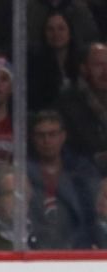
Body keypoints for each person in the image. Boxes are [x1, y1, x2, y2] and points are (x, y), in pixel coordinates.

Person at [26, 109, 99, 249]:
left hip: (77, 247)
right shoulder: (24, 172)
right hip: (36, 248)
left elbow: (91, 215)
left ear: (63, 136)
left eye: (52, 134)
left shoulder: (81, 171)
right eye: (41, 135)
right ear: (33, 138)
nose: (46, 141)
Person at [57, 43, 107, 174]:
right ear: (84, 68)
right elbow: (71, 147)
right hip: (84, 169)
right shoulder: (68, 99)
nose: (105, 71)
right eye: (98, 65)